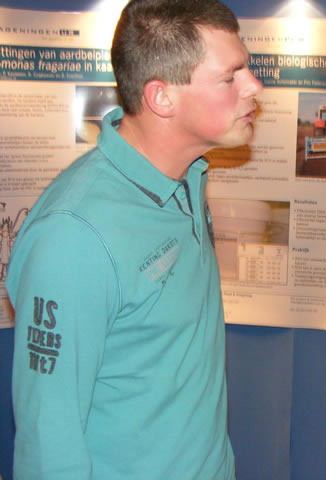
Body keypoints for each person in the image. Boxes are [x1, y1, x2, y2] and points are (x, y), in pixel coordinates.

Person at [7, 0, 262, 477]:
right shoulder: (73, 238)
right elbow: (48, 446)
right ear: (162, 98)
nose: (254, 87)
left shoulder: (187, 178)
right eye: (230, 77)